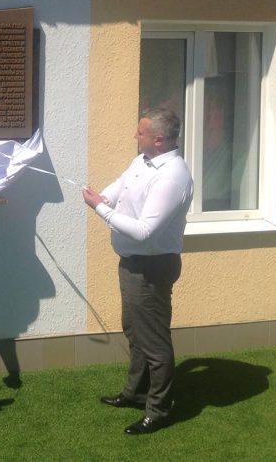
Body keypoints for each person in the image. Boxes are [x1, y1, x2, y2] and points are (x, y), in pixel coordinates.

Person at [82, 108, 193, 435]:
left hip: (151, 267)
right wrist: (105, 196)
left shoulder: (171, 177)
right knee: (134, 330)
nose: (135, 136)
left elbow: (145, 231)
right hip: (132, 263)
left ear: (158, 139)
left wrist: (99, 208)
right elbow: (121, 185)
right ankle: (136, 392)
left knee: (154, 343)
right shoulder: (142, 160)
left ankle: (158, 411)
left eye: (140, 132)